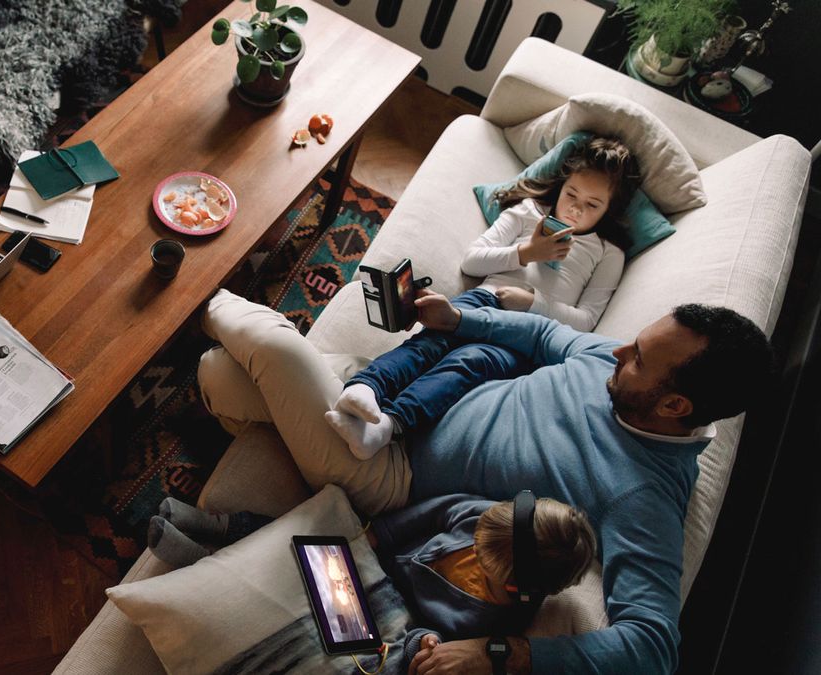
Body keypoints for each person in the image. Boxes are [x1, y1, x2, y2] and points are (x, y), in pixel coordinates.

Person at [196, 288, 774, 674]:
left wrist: (501, 653)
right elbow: (546, 337)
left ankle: (200, 292)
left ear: (673, 404)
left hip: (390, 472)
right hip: (414, 398)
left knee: (269, 346)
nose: (617, 349)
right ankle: (232, 389)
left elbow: (652, 646)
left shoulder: (642, 494)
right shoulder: (614, 366)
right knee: (219, 374)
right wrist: (463, 320)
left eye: (639, 358)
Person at [327, 136, 641, 460]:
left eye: (592, 205)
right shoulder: (528, 211)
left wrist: (532, 302)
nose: (575, 209)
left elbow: (587, 321)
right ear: (562, 183)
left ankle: (388, 426)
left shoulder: (608, 252)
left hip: (529, 335)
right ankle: (365, 387)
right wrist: (525, 253)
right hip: (485, 300)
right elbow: (472, 261)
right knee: (432, 342)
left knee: (471, 362)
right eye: (571, 194)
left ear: (609, 209)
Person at [150, 492, 596, 675]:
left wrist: (427, 642)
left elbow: (439, 636)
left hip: (381, 608)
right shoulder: (476, 515)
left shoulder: (502, 618)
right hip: (366, 555)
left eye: (486, 568)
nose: (474, 558)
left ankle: (205, 563)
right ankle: (222, 526)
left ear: (520, 591)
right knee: (305, 542)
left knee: (303, 605)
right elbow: (426, 516)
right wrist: (370, 536)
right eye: (478, 543)